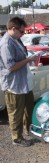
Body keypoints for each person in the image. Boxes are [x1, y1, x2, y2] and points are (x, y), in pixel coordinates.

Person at [0, 17, 37, 147]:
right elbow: (11, 67)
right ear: (13, 28)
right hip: (13, 85)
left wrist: (30, 59)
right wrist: (28, 60)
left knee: (28, 109)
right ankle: (17, 138)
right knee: (15, 113)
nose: (23, 34)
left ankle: (29, 131)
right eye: (21, 31)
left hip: (23, 83)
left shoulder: (16, 40)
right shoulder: (6, 44)